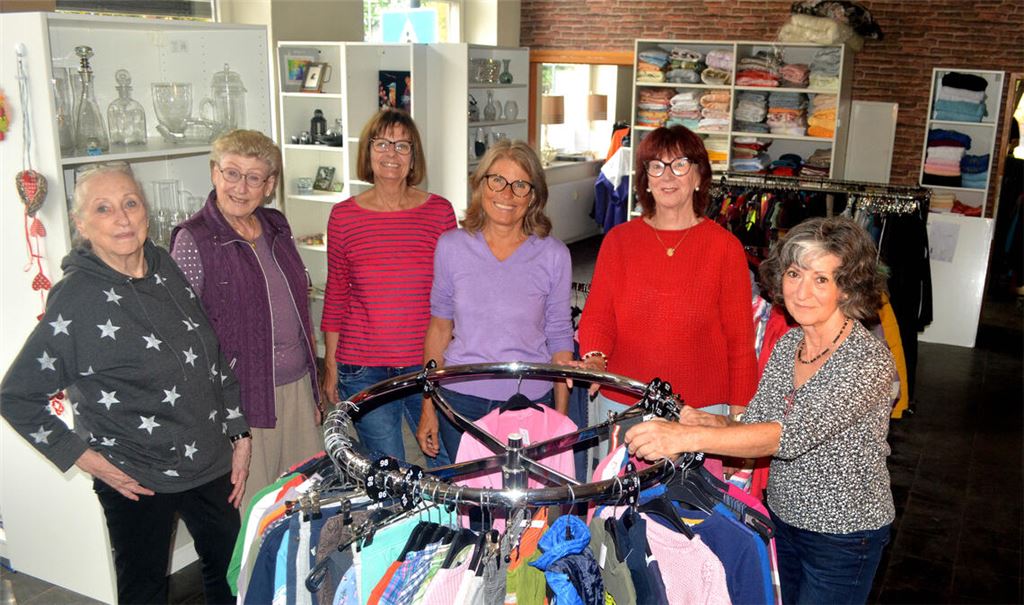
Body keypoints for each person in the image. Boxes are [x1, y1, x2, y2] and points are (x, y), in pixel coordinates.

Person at [0, 164, 250, 604]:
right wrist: (85, 458)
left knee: (230, 571)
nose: (122, 218)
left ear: (145, 212)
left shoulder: (164, 266)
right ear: (81, 224)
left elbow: (209, 355)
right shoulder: (75, 300)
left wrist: (239, 431)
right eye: (103, 208)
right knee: (144, 590)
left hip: (208, 461)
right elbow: (17, 396)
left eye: (130, 203)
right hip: (134, 474)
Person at [624, 216, 896, 605]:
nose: (802, 291)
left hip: (844, 535)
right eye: (794, 273)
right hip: (784, 520)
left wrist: (686, 436)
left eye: (821, 279)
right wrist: (703, 418)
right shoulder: (790, 346)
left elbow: (788, 435)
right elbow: (758, 422)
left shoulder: (865, 361)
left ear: (847, 287)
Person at [170, 130, 321, 509]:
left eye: (254, 177)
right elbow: (182, 335)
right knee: (254, 512)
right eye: (232, 173)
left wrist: (314, 393)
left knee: (307, 503)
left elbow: (298, 312)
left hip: (298, 387)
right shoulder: (195, 239)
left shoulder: (276, 227)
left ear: (268, 185)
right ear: (214, 173)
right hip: (243, 401)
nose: (241, 187)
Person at [577, 125, 758, 426]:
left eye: (680, 164)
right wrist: (595, 356)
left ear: (699, 176)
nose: (668, 175)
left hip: (700, 413)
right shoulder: (619, 241)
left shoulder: (725, 248)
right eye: (657, 166)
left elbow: (740, 343)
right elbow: (598, 316)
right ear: (646, 179)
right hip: (624, 400)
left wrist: (739, 420)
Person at [416, 140, 574, 459]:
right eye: (497, 180)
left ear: (533, 197)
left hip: (529, 401)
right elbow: (439, 328)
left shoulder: (555, 254)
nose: (507, 194)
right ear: (480, 185)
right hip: (459, 400)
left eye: (520, 185)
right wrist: (428, 405)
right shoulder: (451, 247)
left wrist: (560, 419)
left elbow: (559, 336)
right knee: (469, 504)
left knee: (525, 504)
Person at [319, 109, 457, 465]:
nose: (391, 153)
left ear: (414, 158)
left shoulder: (439, 212)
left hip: (423, 361)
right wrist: (331, 366)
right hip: (363, 366)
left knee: (445, 463)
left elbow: (452, 293)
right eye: (381, 143)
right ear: (368, 152)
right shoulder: (344, 216)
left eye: (401, 145)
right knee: (388, 473)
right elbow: (336, 294)